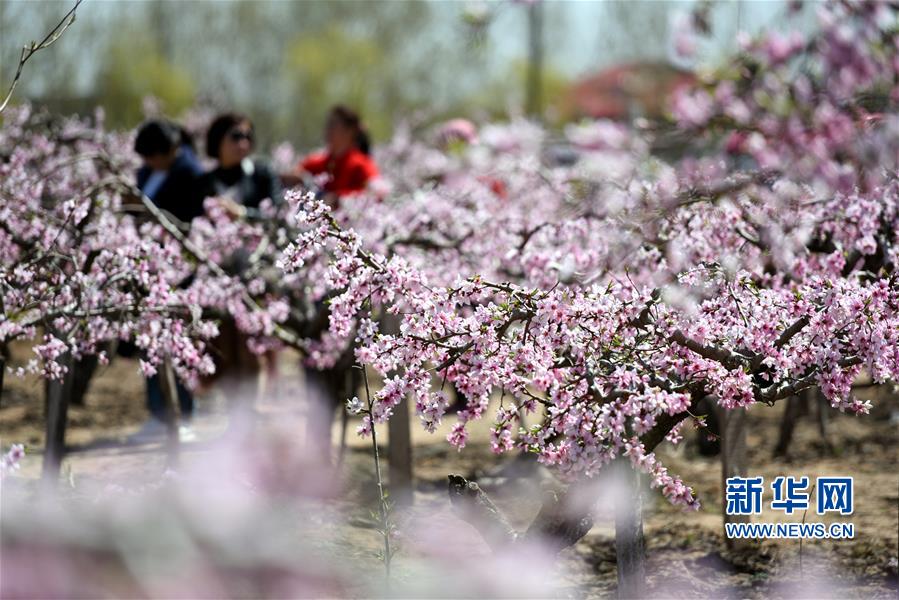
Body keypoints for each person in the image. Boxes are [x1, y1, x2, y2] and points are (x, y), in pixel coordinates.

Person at [132, 119, 205, 442]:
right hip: (148, 266)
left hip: (179, 269)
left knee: (180, 344)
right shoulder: (146, 173)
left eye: (151, 156)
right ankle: (157, 414)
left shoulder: (191, 173)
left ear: (167, 151)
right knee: (150, 342)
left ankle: (183, 414)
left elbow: (192, 223)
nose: (147, 163)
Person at [200, 112, 282, 216]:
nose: (244, 144)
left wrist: (242, 213)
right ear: (218, 139)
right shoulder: (203, 183)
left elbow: (278, 214)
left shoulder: (262, 174)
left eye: (248, 137)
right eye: (236, 137)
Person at [292, 105, 379, 203]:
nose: (327, 130)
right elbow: (296, 173)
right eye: (328, 125)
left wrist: (339, 198)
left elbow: (376, 192)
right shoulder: (319, 162)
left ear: (350, 131)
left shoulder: (361, 164)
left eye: (333, 125)